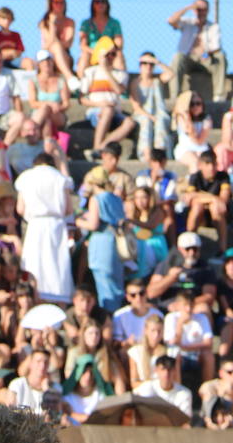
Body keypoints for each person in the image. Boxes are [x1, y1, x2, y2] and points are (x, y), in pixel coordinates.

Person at [15, 153, 74, 305]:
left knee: (36, 265)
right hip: (56, 226)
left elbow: (20, 209)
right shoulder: (60, 178)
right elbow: (68, 209)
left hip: (35, 226)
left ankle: (35, 300)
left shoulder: (26, 177)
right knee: (57, 266)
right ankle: (59, 303)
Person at [76, 171, 127, 312]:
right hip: (116, 242)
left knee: (104, 283)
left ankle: (109, 315)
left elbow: (93, 225)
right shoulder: (116, 198)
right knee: (116, 283)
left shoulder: (96, 198)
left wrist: (79, 221)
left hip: (102, 243)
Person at [167, 0, 227, 104]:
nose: (201, 12)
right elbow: (171, 20)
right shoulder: (187, 23)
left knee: (220, 57)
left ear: (208, 11)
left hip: (206, 59)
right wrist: (189, 7)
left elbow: (216, 47)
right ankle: (174, 96)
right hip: (188, 59)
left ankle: (219, 96)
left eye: (204, 9)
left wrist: (205, 53)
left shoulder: (213, 27)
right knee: (177, 57)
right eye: (198, 9)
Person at [181, 150, 233, 249]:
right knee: (197, 206)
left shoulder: (223, 177)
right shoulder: (195, 177)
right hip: (201, 216)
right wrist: (213, 199)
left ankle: (222, 248)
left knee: (215, 208)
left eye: (213, 164)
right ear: (200, 165)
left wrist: (200, 197)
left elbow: (223, 200)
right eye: (207, 164)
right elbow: (190, 199)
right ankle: (189, 245)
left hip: (219, 215)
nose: (211, 168)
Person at [128, 52, 173, 162]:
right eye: (144, 63)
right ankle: (146, 155)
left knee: (161, 120)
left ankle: (160, 154)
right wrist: (150, 116)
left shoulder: (157, 81)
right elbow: (136, 107)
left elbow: (171, 74)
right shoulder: (135, 83)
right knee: (146, 122)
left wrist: (157, 62)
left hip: (157, 113)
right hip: (142, 114)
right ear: (140, 65)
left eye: (150, 64)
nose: (148, 66)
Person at [37, 0, 78, 91]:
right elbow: (46, 45)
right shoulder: (44, 23)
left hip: (65, 55)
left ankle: (69, 78)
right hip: (48, 55)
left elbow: (68, 44)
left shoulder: (70, 22)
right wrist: (52, 24)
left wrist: (56, 44)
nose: (59, 5)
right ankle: (70, 77)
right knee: (55, 46)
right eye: (56, 2)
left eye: (61, 2)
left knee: (56, 46)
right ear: (51, 4)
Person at [77, 0, 123, 79]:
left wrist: (107, 52)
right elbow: (82, 45)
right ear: (93, 5)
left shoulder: (114, 23)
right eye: (97, 1)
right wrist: (96, 52)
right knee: (84, 56)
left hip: (109, 53)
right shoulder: (86, 23)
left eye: (103, 1)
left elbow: (119, 43)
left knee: (119, 55)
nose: (100, 4)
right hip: (91, 53)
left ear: (107, 4)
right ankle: (81, 86)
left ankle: (121, 84)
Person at [60, 354, 110, 424]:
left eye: (91, 372)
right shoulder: (66, 397)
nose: (88, 376)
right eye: (84, 372)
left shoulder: (100, 396)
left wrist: (71, 413)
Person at [170, 91, 212, 172]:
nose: (195, 106)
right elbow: (191, 133)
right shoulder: (181, 118)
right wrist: (186, 116)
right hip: (185, 149)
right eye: (192, 104)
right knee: (195, 162)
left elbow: (199, 141)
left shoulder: (206, 119)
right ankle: (193, 184)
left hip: (201, 148)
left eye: (198, 103)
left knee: (208, 162)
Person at [7, 348, 56, 416]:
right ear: (31, 363)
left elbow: (53, 415)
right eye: (38, 361)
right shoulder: (17, 384)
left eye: (46, 362)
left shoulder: (55, 388)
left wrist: (47, 391)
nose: (42, 366)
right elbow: (11, 410)